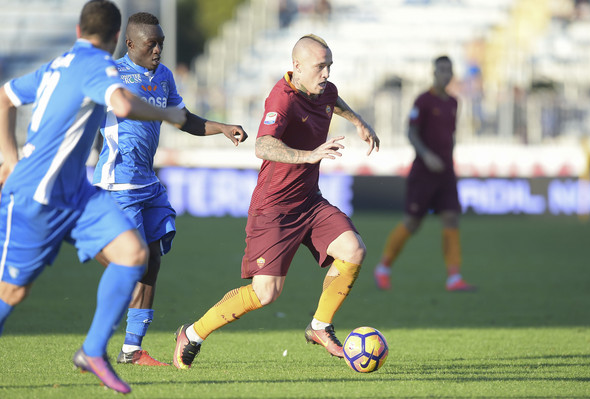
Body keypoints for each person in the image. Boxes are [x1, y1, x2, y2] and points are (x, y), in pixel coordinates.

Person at [0, 0, 186, 394]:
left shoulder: (58, 64)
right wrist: (168, 114)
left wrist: (9, 157)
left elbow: (5, 97)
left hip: (77, 192)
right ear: (118, 37)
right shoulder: (99, 67)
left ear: (79, 30)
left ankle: (94, 351)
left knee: (134, 254)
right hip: (36, 194)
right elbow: (121, 104)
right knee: (13, 291)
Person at [172, 34, 380, 369]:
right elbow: (263, 146)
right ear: (296, 67)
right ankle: (192, 333)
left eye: (329, 65)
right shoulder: (282, 98)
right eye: (319, 66)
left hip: (310, 201)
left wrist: (360, 123)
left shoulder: (325, 89)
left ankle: (320, 326)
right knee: (266, 293)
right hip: (274, 209)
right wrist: (310, 155)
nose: (326, 73)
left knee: (354, 249)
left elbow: (334, 100)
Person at [93, 12, 248, 367]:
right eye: (152, 43)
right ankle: (92, 245)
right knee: (132, 263)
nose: (159, 49)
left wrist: (221, 127)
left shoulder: (162, 76)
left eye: (161, 42)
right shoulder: (110, 75)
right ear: (130, 44)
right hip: (119, 182)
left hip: (147, 181)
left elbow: (182, 118)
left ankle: (132, 349)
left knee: (152, 260)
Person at [373, 55, 476, 292]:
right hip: (423, 172)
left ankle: (454, 277)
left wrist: (450, 160)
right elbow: (411, 132)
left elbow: (450, 136)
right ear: (434, 72)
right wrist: (427, 155)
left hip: (446, 171)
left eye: (449, 70)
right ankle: (383, 267)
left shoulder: (453, 102)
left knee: (451, 217)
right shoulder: (423, 101)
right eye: (441, 70)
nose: (445, 74)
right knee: (412, 222)